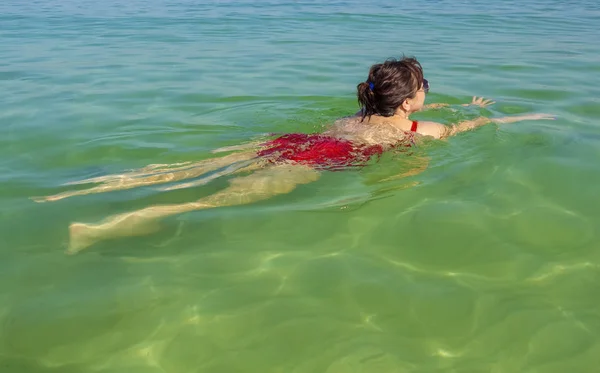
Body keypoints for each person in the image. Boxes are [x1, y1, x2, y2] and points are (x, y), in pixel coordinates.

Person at [34, 56, 554, 254]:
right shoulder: (422, 128)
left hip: (292, 142)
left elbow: (418, 106)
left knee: (187, 170)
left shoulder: (370, 114)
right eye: (424, 88)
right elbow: (472, 127)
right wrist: (518, 117)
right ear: (412, 101)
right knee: (205, 202)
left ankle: (72, 191)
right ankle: (95, 230)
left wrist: (450, 101)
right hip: (317, 160)